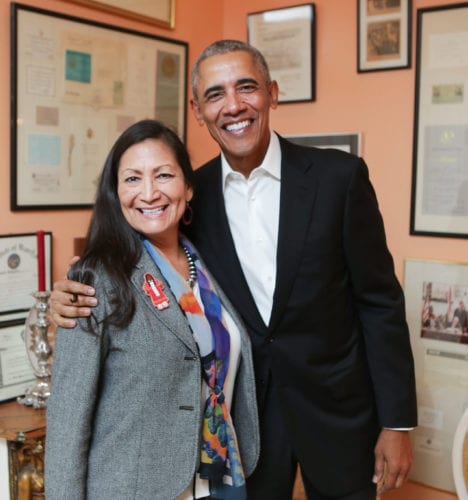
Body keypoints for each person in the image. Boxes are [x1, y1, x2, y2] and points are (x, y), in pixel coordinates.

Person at [51, 41, 417, 500]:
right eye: (216, 94)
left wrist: (397, 421)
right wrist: (65, 298)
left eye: (247, 87)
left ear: (272, 93)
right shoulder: (189, 196)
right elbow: (138, 267)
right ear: (198, 110)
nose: (234, 106)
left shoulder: (338, 179)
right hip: (246, 426)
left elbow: (379, 301)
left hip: (338, 415)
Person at [45, 119, 259, 499]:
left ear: (188, 187)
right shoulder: (96, 279)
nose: (148, 193)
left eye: (163, 175)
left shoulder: (207, 264)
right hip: (134, 487)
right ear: (115, 191)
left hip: (219, 479)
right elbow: (68, 418)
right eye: (132, 179)